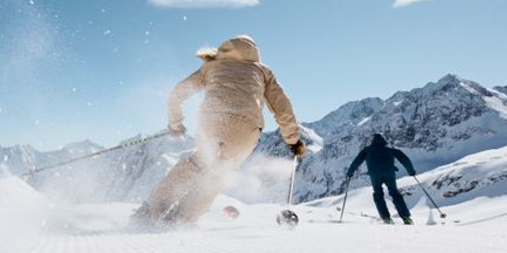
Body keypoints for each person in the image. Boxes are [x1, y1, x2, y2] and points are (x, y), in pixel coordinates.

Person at [136, 35, 305, 225]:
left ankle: (150, 211)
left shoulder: (212, 66)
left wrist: (176, 124)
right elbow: (283, 108)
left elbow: (177, 93)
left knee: (196, 164)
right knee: (219, 173)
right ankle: (181, 219)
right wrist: (293, 141)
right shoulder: (262, 71)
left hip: (211, 122)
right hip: (245, 128)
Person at [345, 133, 416, 225]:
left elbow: (356, 161)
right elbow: (404, 158)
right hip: (389, 173)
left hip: (375, 174)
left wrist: (350, 172)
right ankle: (406, 218)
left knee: (378, 194)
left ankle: (386, 218)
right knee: (395, 194)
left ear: (372, 142)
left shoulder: (367, 150)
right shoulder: (389, 149)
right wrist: (411, 171)